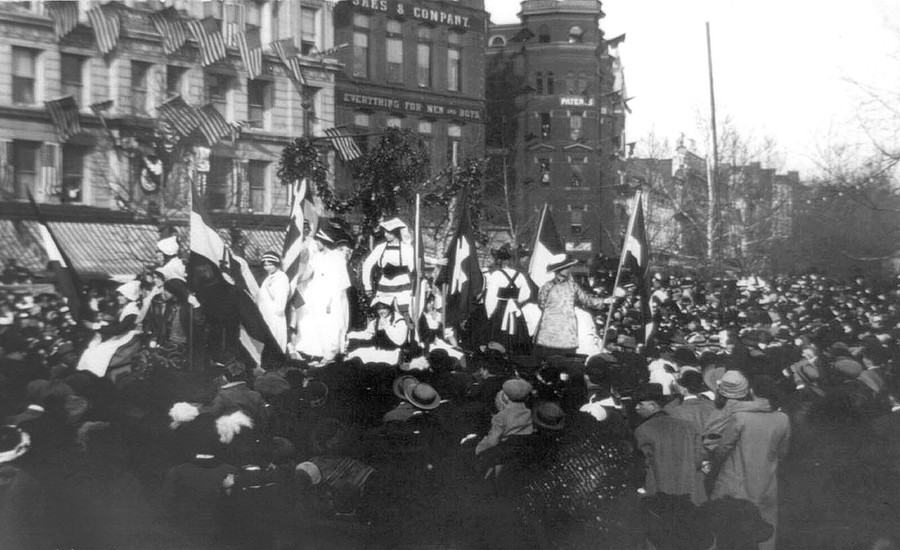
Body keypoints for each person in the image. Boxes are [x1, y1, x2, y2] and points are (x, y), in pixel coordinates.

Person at [706, 379, 791, 550]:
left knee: (731, 530)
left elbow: (723, 449)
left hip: (736, 480)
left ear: (751, 392)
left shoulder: (740, 417)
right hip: (767, 480)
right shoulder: (783, 419)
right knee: (764, 526)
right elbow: (783, 452)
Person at [633, 383, 706, 507]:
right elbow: (699, 459)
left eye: (640, 404)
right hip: (690, 492)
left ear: (652, 406)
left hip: (659, 493)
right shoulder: (688, 426)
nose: (636, 407)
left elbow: (642, 466)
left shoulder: (642, 430)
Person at [294, 223, 352, 364]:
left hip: (333, 299)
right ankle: (322, 354)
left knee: (333, 326)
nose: (316, 243)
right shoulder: (317, 257)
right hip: (318, 298)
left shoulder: (337, 257)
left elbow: (340, 283)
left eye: (318, 241)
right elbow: (308, 273)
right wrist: (294, 281)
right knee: (319, 326)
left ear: (324, 241)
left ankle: (331, 357)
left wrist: (331, 301)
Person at [534, 258, 607, 358]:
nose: (569, 270)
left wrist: (605, 301)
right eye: (566, 268)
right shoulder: (547, 286)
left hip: (567, 331)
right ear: (559, 270)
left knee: (566, 359)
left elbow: (587, 300)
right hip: (549, 330)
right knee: (549, 360)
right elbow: (541, 303)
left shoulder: (573, 286)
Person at [76, 280, 144, 380]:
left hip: (128, 337)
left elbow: (119, 329)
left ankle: (95, 375)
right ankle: (87, 374)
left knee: (101, 352)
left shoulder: (132, 310)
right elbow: (119, 324)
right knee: (92, 350)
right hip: (122, 334)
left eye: (122, 295)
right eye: (118, 295)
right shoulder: (126, 307)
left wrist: (96, 327)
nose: (118, 297)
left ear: (129, 297)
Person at [484, 244, 532, 355]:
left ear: (500, 261)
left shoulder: (496, 275)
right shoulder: (519, 275)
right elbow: (527, 293)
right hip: (515, 312)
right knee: (516, 337)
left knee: (497, 339)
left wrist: (490, 315)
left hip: (499, 311)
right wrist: (515, 301)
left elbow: (490, 298)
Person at [361, 218, 415, 314]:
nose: (386, 235)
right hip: (384, 285)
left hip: (403, 286)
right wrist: (367, 286)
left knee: (403, 313)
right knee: (383, 311)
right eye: (385, 232)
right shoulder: (380, 248)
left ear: (396, 233)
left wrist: (436, 261)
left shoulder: (406, 248)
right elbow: (367, 264)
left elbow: (415, 263)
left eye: (389, 233)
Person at [346, 297, 409, 365]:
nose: (381, 311)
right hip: (379, 351)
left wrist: (387, 327)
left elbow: (399, 341)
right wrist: (351, 334)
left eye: (384, 308)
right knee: (355, 355)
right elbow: (368, 334)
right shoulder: (377, 321)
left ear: (390, 307)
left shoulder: (399, 321)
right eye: (379, 309)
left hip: (394, 353)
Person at [257, 251, 290, 353]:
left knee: (276, 335)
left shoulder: (281, 277)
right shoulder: (268, 278)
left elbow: (282, 295)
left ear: (276, 264)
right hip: (265, 312)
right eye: (265, 265)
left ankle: (278, 358)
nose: (267, 267)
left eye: (270, 264)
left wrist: (278, 310)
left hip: (275, 313)